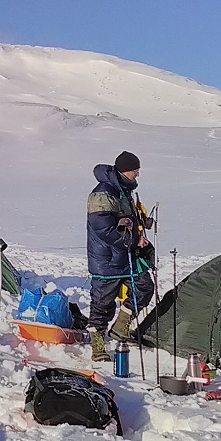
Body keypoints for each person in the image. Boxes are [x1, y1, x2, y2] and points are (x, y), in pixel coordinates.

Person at [86, 151, 155, 362]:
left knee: (144, 287)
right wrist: (132, 240)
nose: (138, 175)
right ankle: (97, 344)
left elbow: (124, 220)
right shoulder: (103, 193)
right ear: (126, 171)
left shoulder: (124, 191)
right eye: (136, 170)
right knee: (102, 302)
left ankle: (120, 325)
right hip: (107, 259)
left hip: (126, 256)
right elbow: (104, 228)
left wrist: (139, 227)